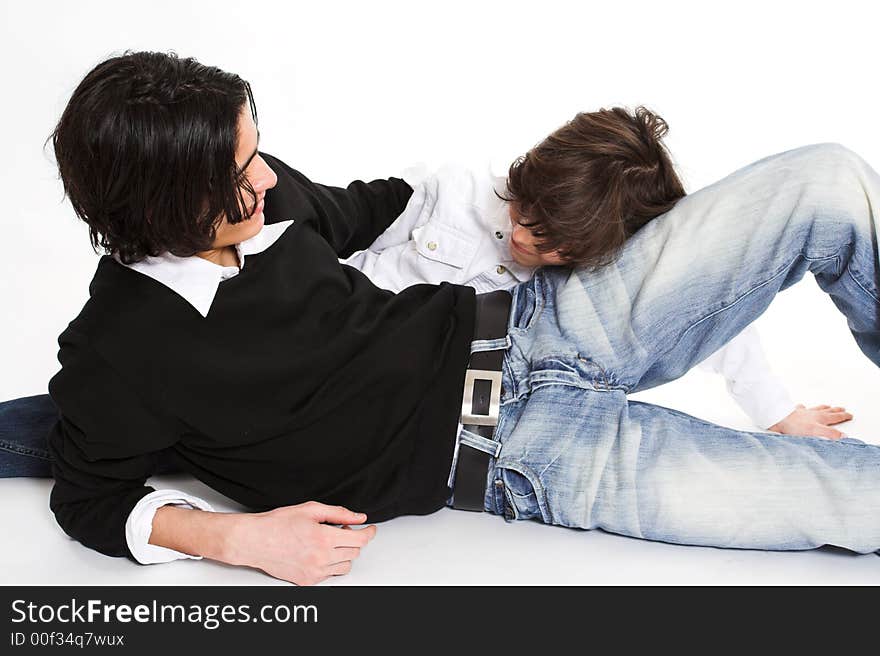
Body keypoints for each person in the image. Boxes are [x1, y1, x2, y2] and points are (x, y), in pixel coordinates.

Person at [3, 51, 880, 586]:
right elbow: (91, 495)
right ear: (162, 201)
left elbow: (375, 205)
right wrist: (237, 538)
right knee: (860, 504)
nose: (267, 177)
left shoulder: (268, 203)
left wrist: (516, 217)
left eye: (256, 147)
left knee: (828, 180)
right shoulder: (119, 352)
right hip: (521, 458)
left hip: (548, 318)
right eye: (240, 172)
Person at [339, 107, 852, 438]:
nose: (521, 238)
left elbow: (710, 319)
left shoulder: (582, 293)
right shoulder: (450, 191)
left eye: (552, 244)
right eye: (525, 211)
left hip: (428, 414)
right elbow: (350, 234)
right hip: (338, 350)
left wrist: (779, 412)